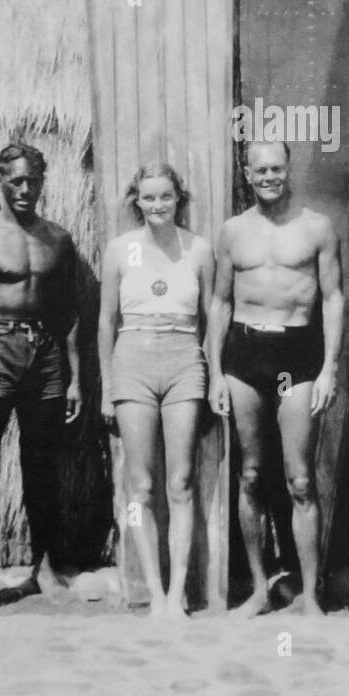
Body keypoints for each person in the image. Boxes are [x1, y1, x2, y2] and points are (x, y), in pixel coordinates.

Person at [209, 141, 343, 617]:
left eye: (277, 168)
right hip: (245, 355)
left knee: (300, 479)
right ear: (247, 173)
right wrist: (215, 372)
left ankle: (309, 597)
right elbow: (221, 302)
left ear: (290, 170)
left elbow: (333, 298)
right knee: (249, 475)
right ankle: (262, 591)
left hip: (296, 354)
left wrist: (329, 368)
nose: (269, 176)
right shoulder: (232, 231)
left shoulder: (316, 228)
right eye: (260, 169)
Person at [0, 141, 82, 615]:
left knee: (41, 468)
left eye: (33, 180)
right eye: (16, 181)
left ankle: (41, 567)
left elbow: (68, 314)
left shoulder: (59, 240)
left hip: (45, 357)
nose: (25, 189)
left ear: (44, 181)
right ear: (0, 181)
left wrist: (74, 379)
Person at [98, 161, 218, 618]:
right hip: (133, 359)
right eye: (148, 197)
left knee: (181, 483)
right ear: (136, 201)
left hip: (184, 358)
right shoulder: (121, 250)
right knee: (141, 487)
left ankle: (178, 595)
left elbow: (212, 318)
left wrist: (213, 374)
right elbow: (107, 321)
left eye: (165, 196)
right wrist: (109, 385)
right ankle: (152, 589)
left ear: (178, 198)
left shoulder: (197, 249)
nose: (157, 205)